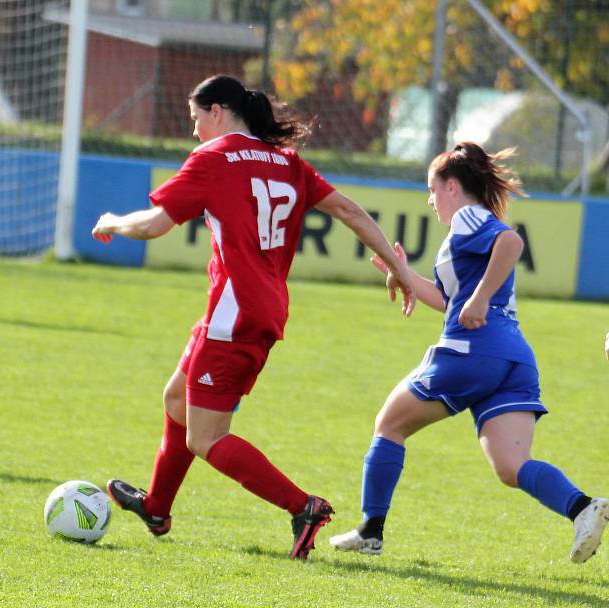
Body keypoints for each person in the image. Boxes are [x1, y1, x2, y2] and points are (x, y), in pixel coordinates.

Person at [91, 74, 416, 560]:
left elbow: (156, 225)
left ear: (218, 112)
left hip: (233, 317)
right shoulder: (286, 161)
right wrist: (397, 268)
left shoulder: (213, 159)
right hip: (255, 310)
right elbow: (348, 211)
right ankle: (157, 507)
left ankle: (303, 506)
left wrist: (112, 221)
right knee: (177, 397)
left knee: (205, 437)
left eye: (196, 118)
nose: (195, 130)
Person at [329, 142, 608, 563]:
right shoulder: (461, 235)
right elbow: (446, 300)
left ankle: (371, 529)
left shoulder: (468, 218)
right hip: (512, 357)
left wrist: (478, 299)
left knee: (389, 424)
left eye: (432, 189)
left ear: (453, 187)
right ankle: (583, 508)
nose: (430, 199)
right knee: (511, 466)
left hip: (471, 350)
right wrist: (401, 272)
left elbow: (511, 243)